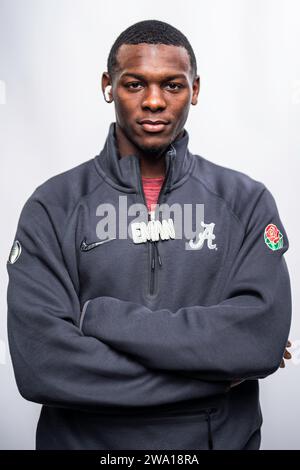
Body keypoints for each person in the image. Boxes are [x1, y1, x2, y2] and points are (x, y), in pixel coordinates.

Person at [7, 19, 292, 450]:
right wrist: (215, 378)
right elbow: (42, 366)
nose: (154, 101)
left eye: (173, 86)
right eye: (135, 84)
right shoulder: (53, 206)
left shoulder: (247, 202)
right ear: (109, 86)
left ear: (195, 89)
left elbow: (258, 341)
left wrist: (98, 318)